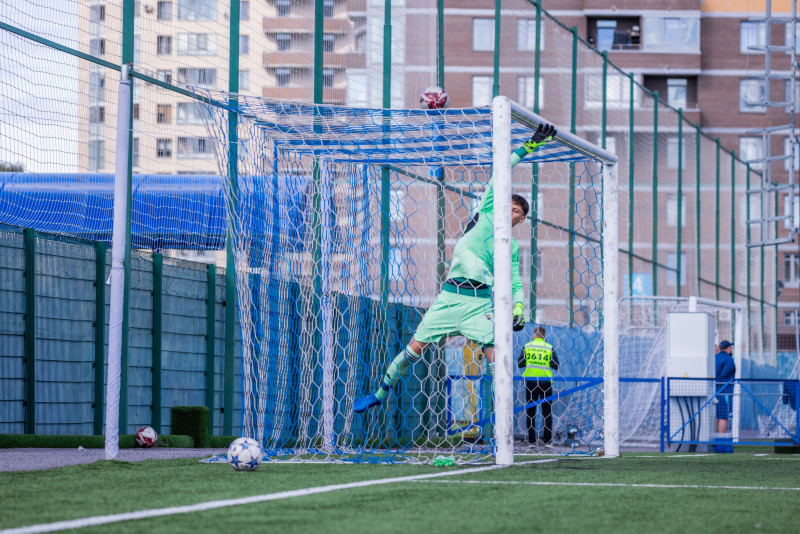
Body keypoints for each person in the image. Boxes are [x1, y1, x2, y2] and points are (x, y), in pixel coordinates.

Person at [353, 123, 558, 414]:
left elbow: (514, 280)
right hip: (449, 298)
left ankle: (501, 420)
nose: (509, 211)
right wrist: (530, 145)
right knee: (413, 351)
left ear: (522, 220)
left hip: (479, 304)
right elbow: (502, 171)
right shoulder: (486, 212)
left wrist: (519, 308)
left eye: (516, 211)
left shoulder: (510, 247)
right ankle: (379, 393)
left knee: (496, 357)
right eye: (508, 205)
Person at [518, 326, 559, 445]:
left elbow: (520, 364)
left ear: (534, 335)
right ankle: (548, 441)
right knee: (547, 413)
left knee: (531, 412)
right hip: (546, 382)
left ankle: (531, 441)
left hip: (531, 382)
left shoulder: (527, 346)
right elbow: (555, 365)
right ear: (544, 336)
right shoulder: (549, 347)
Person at [715, 339, 736, 434]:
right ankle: (721, 440)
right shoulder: (729, 359)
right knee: (724, 416)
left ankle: (714, 439)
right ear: (728, 348)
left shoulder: (715, 357)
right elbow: (725, 374)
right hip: (725, 390)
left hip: (713, 389)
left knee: (716, 415)